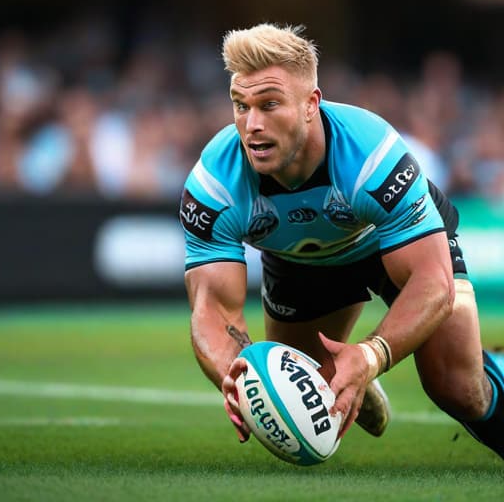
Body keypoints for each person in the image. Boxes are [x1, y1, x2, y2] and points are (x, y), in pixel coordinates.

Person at [179, 23, 504, 459]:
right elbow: (213, 311)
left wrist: (372, 355)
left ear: (311, 104)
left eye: (269, 104)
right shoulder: (213, 184)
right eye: (240, 105)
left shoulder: (371, 155)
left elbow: (432, 282)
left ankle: (486, 365)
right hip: (299, 263)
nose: (251, 124)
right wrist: (235, 376)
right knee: (291, 385)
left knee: (457, 388)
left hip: (390, 241)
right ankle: (342, 371)